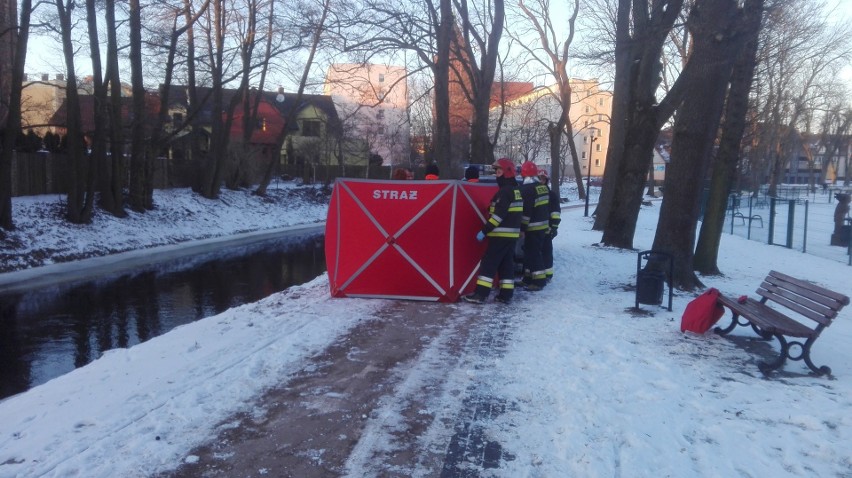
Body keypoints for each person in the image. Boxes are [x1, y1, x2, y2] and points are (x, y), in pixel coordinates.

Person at [462, 158, 523, 304]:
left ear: (507, 172)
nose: (496, 174)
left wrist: (484, 231)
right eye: (496, 171)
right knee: (506, 264)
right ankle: (506, 294)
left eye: (499, 171)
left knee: (489, 263)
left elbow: (498, 216)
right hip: (511, 235)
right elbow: (508, 211)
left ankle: (480, 294)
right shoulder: (515, 191)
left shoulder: (504, 192)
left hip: (500, 235)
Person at [517, 161, 550, 291]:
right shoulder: (542, 188)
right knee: (530, 254)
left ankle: (539, 281)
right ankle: (527, 278)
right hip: (542, 226)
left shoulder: (527, 190)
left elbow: (526, 213)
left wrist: (522, 228)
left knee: (533, 254)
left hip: (533, 228)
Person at [537, 168, 561, 282]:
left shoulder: (552, 195)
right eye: (539, 179)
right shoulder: (533, 193)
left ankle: (548, 275)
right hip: (535, 230)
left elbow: (556, 213)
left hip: (547, 229)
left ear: (546, 180)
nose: (541, 181)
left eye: (543, 179)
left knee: (546, 253)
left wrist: (554, 227)